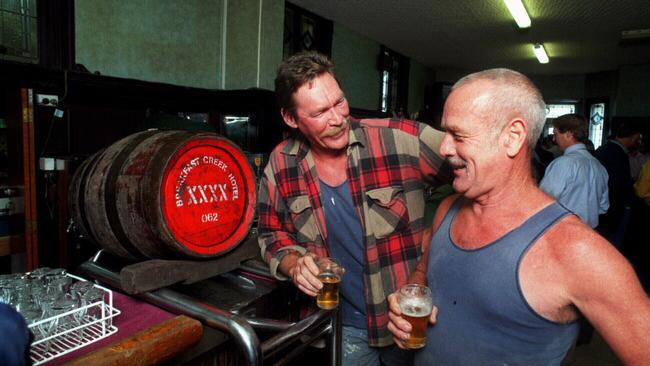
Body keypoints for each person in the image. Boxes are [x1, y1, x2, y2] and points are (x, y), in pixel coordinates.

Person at [385, 68, 650, 365]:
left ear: (512, 137)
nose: (444, 148)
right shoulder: (448, 209)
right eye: (445, 132)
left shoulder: (577, 252)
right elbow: (423, 273)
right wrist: (408, 301)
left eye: (458, 135)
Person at [257, 52, 450, 365]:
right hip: (343, 328)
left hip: (408, 320)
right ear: (291, 119)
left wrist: (440, 234)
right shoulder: (282, 162)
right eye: (321, 112)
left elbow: (481, 170)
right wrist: (293, 264)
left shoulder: (399, 138)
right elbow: (270, 230)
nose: (337, 118)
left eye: (340, 102)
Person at [539, 113, 609, 228]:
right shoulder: (599, 166)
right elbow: (603, 207)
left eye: (555, 134)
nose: (554, 139)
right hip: (589, 233)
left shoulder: (563, 163)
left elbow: (542, 202)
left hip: (564, 231)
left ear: (569, 134)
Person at [595, 123, 642, 249]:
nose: (638, 142)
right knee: (612, 241)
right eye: (638, 139)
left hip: (606, 203)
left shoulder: (606, 149)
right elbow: (617, 183)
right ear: (631, 137)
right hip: (614, 205)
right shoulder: (616, 153)